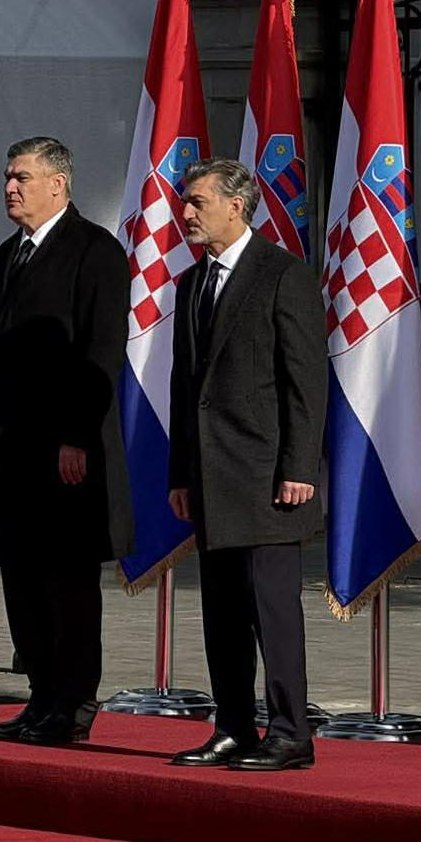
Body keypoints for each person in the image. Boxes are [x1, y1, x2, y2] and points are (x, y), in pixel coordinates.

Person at [0, 136, 133, 745]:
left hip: (66, 451)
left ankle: (74, 705)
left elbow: (101, 354)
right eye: (8, 177)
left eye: (23, 178)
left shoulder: (96, 252)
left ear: (58, 184)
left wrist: (76, 437)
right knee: (22, 580)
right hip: (13, 450)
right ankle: (40, 696)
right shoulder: (9, 254)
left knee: (67, 583)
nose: (11, 187)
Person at [166, 158, 327, 771]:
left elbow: (304, 383)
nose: (186, 213)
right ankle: (232, 726)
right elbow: (187, 387)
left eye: (198, 201)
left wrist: (300, 468)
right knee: (223, 615)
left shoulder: (282, 275)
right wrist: (180, 474)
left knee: (273, 612)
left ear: (236, 206)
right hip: (211, 478)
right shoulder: (191, 283)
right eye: (186, 201)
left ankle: (290, 733)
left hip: (268, 479)